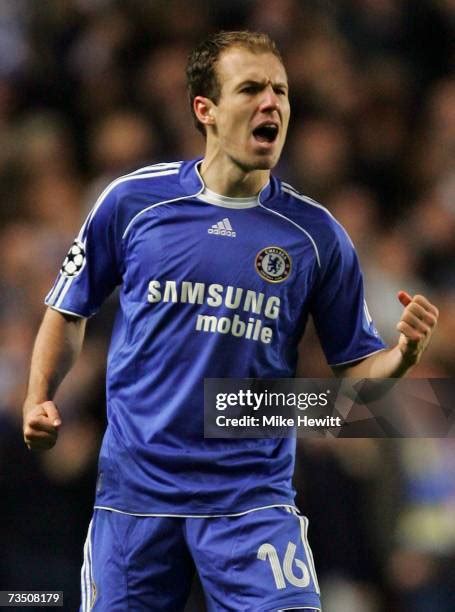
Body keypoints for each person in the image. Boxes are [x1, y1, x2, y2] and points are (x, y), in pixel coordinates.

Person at [23, 31, 439, 611]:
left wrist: (401, 356)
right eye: (251, 89)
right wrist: (39, 395)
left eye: (281, 91)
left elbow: (356, 371)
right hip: (136, 498)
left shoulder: (317, 237)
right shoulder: (132, 202)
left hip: (251, 499)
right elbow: (69, 308)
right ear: (206, 109)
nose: (272, 103)